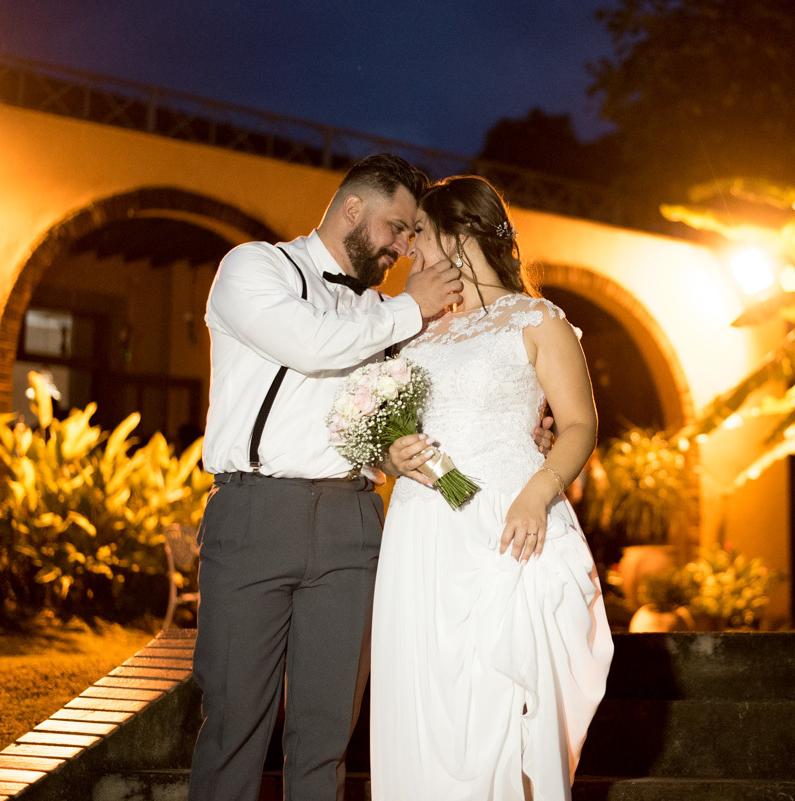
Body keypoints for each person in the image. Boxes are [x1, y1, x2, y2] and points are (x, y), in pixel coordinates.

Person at [190, 153, 458, 801]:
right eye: (397, 227)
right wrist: (407, 310)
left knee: (327, 730)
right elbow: (309, 342)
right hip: (257, 514)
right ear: (353, 209)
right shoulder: (256, 267)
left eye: (410, 235)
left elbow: (414, 405)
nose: (401, 246)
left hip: (353, 522)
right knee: (234, 722)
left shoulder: (379, 311)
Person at [374, 176, 614, 800]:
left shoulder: (537, 319)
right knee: (423, 686)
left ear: (459, 235)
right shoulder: (414, 328)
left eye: (420, 232)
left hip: (507, 525)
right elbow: (386, 424)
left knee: (500, 693)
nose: (409, 249)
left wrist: (537, 494)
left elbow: (581, 424)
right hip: (423, 529)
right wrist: (393, 456)